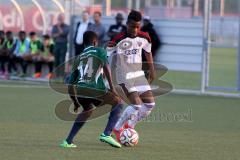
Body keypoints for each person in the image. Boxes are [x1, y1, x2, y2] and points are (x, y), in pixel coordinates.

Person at [59, 31, 123, 148]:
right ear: (95, 42)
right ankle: (106, 134)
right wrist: (112, 88)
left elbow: (70, 84)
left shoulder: (78, 57)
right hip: (94, 89)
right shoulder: (99, 50)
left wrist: (75, 102)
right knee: (118, 103)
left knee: (87, 110)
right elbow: (106, 66)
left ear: (84, 43)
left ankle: (68, 141)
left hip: (80, 92)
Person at [107, 10, 156, 141]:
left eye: (137, 27)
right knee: (137, 104)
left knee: (150, 105)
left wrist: (152, 69)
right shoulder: (118, 39)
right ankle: (117, 128)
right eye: (132, 26)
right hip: (123, 75)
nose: (135, 30)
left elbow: (148, 51)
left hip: (138, 75)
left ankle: (130, 125)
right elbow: (107, 57)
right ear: (127, 24)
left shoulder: (145, 36)